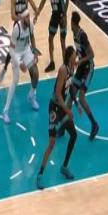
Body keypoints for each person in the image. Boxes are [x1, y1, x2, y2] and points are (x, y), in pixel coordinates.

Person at [37, 45, 78, 190]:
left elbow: (70, 88)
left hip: (62, 108)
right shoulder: (63, 70)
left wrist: (76, 102)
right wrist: (67, 110)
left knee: (74, 135)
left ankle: (64, 166)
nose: (76, 56)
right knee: (52, 143)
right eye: (74, 54)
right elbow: (58, 93)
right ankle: (40, 175)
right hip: (55, 108)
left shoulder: (72, 69)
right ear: (70, 56)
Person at [2, 9, 40, 124]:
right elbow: (10, 49)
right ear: (22, 18)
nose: (28, 19)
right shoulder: (16, 29)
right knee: (15, 80)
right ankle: (5, 111)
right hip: (16, 54)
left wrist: (34, 52)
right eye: (26, 17)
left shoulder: (30, 25)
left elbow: (32, 37)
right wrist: (19, 63)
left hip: (26, 50)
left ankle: (31, 95)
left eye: (29, 16)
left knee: (35, 73)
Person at [0, 0, 38, 83]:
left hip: (26, 25)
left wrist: (35, 17)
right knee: (12, 48)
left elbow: (36, 9)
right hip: (18, 26)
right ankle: (5, 68)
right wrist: (22, 18)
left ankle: (31, 71)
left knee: (28, 45)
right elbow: (12, 16)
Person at [35, 0, 70, 72]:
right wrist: (38, 12)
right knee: (50, 38)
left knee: (62, 41)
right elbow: (43, 0)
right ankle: (52, 62)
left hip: (61, 16)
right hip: (54, 15)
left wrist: (64, 14)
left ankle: (65, 65)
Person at [70, 11, 99, 139]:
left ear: (73, 23)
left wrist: (80, 61)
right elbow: (79, 50)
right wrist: (75, 59)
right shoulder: (74, 34)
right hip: (82, 67)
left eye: (70, 22)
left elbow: (92, 54)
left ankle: (94, 124)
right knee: (71, 93)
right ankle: (65, 124)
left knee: (81, 97)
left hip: (88, 68)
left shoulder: (82, 35)